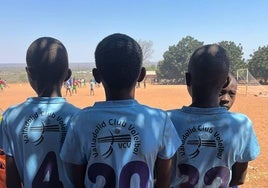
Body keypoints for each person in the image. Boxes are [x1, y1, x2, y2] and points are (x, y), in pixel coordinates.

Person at [60, 33, 181, 188]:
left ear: (97, 76)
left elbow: (77, 181)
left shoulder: (80, 121)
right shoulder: (159, 120)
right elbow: (164, 180)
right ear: (142, 75)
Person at [167, 44, 260, 188]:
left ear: (188, 79)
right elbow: (239, 179)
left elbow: (159, 176)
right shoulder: (242, 125)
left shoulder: (167, 120)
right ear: (224, 81)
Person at [1, 37, 80, 188]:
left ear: (29, 73)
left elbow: (12, 178)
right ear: (68, 75)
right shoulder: (79, 118)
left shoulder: (10, 117)